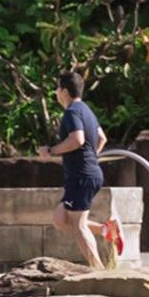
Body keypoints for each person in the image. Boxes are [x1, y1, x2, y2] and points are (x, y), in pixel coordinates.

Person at [40, 70, 107, 267]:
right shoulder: (86, 110)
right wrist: (89, 157)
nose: (56, 92)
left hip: (81, 175)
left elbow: (77, 139)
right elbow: (102, 138)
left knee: (78, 226)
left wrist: (51, 151)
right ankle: (106, 230)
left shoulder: (71, 112)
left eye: (58, 88)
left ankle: (99, 270)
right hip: (85, 173)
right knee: (60, 219)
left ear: (65, 91)